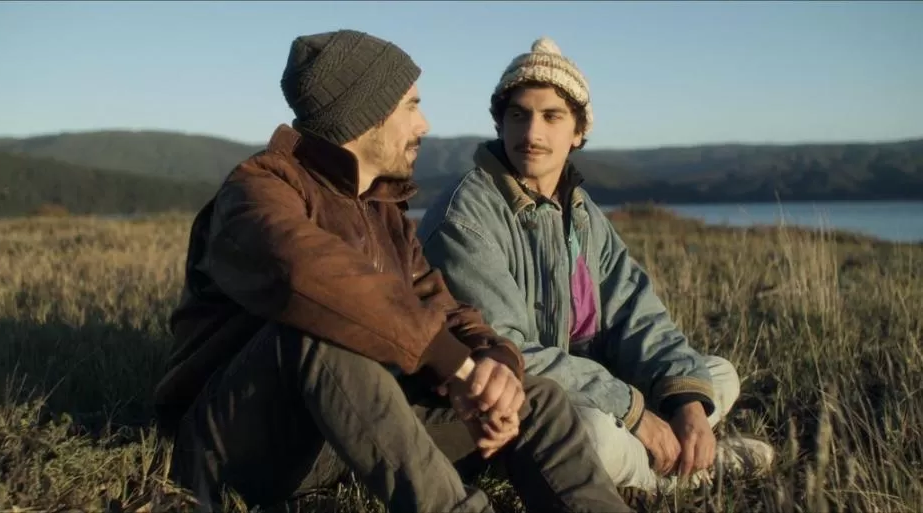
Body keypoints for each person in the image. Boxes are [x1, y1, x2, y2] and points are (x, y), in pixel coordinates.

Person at [152, 29, 630, 513]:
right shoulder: (257, 190)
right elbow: (308, 276)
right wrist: (453, 364)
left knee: (536, 399)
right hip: (247, 444)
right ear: (365, 114)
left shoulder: (384, 215)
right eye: (411, 106)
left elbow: (443, 311)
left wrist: (494, 364)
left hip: (357, 431)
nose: (423, 124)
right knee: (319, 327)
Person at [416, 36, 776, 495]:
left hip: (587, 385)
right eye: (518, 115)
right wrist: (632, 411)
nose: (532, 134)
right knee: (592, 431)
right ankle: (687, 476)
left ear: (579, 131)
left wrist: (684, 401)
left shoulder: (579, 210)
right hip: (507, 407)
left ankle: (677, 441)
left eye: (552, 116)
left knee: (715, 375)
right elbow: (506, 350)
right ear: (500, 123)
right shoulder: (465, 217)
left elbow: (635, 312)